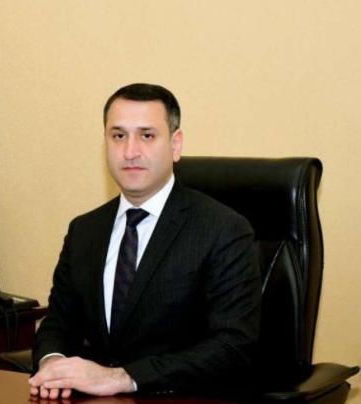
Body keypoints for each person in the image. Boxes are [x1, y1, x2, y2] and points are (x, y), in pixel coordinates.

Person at [28, 83, 261, 399]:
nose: (130, 152)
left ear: (175, 145)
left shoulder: (223, 229)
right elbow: (58, 322)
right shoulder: (85, 230)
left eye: (147, 136)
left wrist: (124, 378)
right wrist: (53, 363)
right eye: (118, 136)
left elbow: (232, 346)